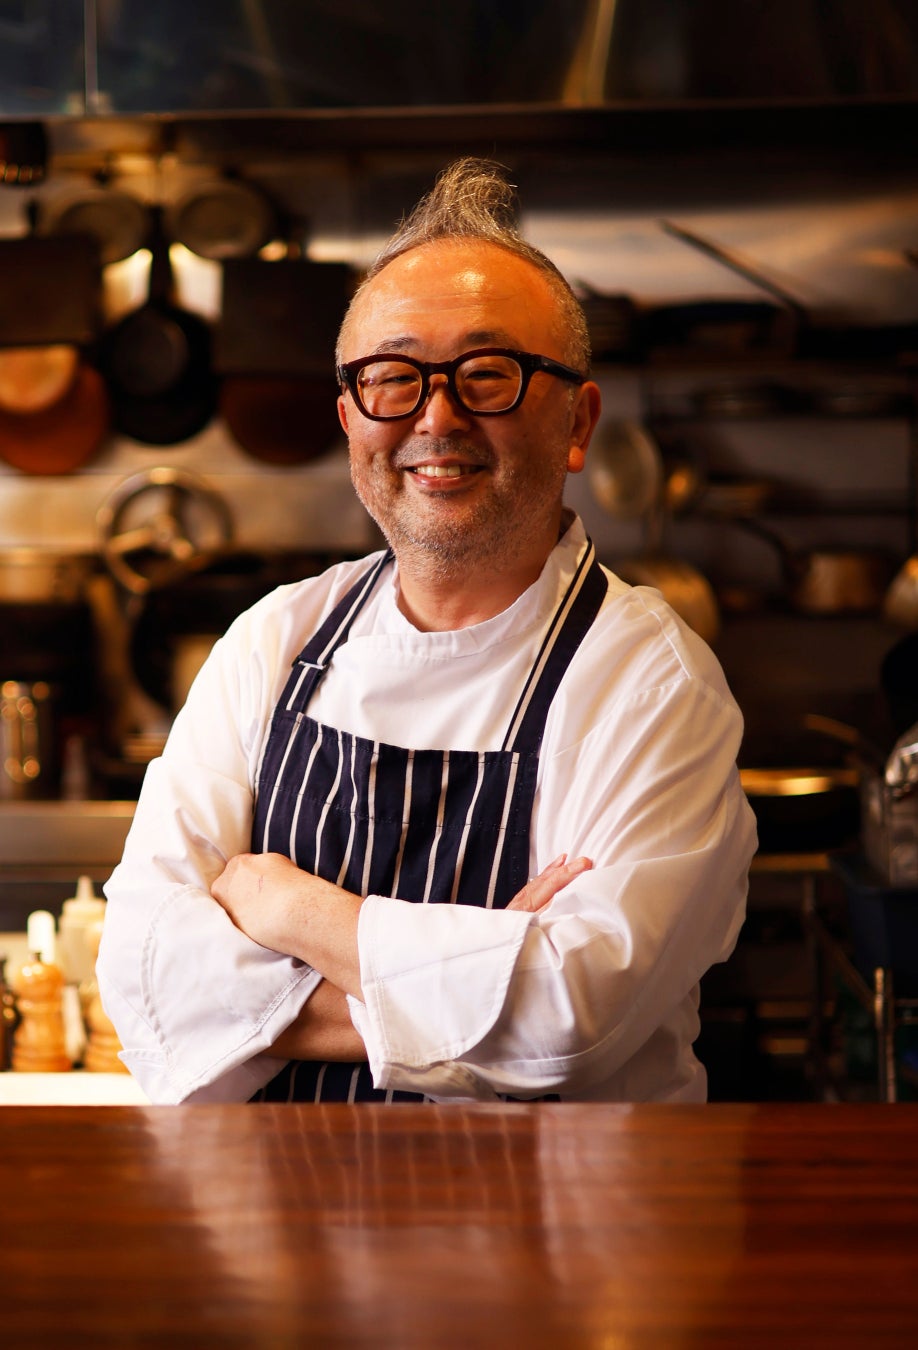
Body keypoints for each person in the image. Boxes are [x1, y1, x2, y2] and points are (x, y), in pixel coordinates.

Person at [98, 157, 757, 1105]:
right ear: (349, 418)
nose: (436, 417)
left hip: (548, 1204)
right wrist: (482, 971)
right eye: (392, 378)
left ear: (578, 422)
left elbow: (567, 1020)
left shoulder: (648, 683)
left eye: (487, 375)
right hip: (272, 1201)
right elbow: (142, 979)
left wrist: (290, 909)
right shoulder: (271, 645)